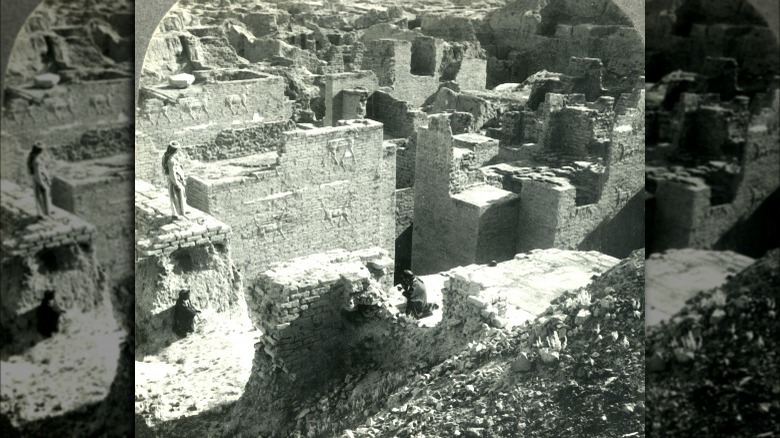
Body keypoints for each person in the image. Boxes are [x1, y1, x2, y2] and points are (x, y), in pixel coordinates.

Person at [161, 141, 187, 219]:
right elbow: (172, 173)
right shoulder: (170, 160)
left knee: (181, 195)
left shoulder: (168, 156)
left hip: (178, 178)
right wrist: (176, 183)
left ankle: (183, 210)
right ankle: (175, 214)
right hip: (174, 180)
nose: (178, 151)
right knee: (174, 197)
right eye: (177, 149)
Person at [27, 141, 52, 219]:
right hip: (40, 180)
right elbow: (37, 173)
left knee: (43, 196)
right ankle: (42, 214)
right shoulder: (36, 161)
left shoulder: (33, 157)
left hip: (41, 179)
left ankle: (46, 211)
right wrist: (42, 183)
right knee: (41, 197)